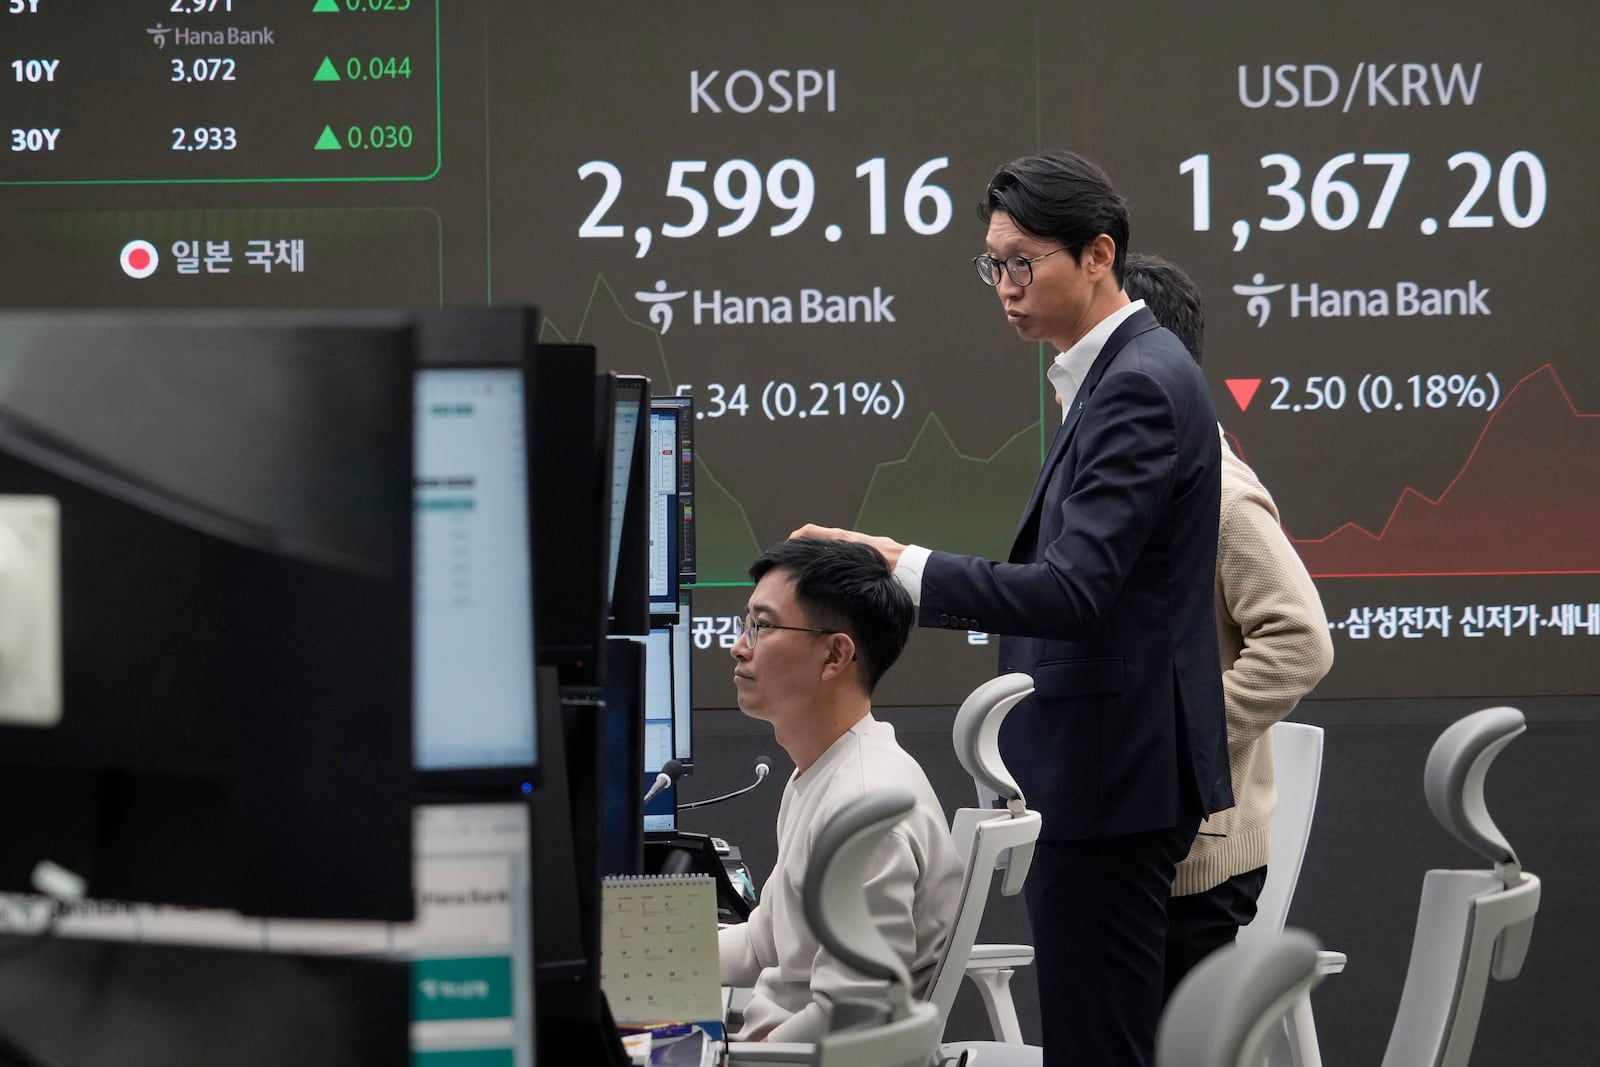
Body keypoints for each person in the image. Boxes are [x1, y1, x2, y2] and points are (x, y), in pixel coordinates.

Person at [796, 150, 1230, 1067]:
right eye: (993, 262)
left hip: (1110, 776)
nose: (1004, 284)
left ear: (1099, 254)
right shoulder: (1124, 373)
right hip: (1107, 770)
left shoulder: (1140, 384)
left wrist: (896, 564)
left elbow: (1075, 590)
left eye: (1023, 261)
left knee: (1095, 1047)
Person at [1121, 252, 1335, 997]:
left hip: (1194, 864)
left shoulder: (1219, 495)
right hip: (1143, 841)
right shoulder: (1136, 478)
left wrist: (1181, 733)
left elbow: (1302, 642)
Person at [717, 537, 963, 1043]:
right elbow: (766, 943)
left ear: (835, 655)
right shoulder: (823, 771)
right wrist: (632, 956)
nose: (740, 645)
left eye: (760, 626)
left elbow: (854, 1014)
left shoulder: (863, 808)